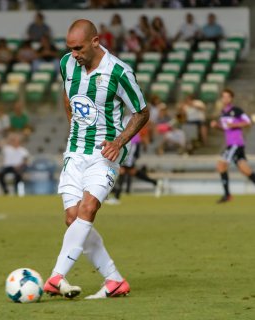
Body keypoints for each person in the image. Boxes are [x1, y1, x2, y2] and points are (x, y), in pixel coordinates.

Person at [43, 19, 149, 300]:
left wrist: (119, 142)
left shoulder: (118, 71)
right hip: (75, 152)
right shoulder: (66, 63)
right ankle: (114, 280)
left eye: (78, 48)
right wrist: (75, 129)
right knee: (72, 219)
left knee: (87, 210)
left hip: (105, 154)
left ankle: (56, 276)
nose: (73, 53)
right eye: (70, 48)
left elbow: (141, 112)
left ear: (95, 41)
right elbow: (68, 97)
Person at [210, 89, 255, 203]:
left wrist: (234, 124)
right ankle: (227, 195)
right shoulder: (223, 113)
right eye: (223, 97)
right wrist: (217, 126)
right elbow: (226, 128)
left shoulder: (236, 110)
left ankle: (227, 195)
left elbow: (248, 121)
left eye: (227, 97)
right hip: (232, 144)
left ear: (231, 98)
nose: (225, 99)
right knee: (246, 171)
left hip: (236, 144)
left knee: (221, 165)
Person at [106, 115, 162, 205]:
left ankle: (116, 198)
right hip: (127, 143)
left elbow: (147, 121)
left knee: (123, 170)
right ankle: (156, 182)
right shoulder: (124, 115)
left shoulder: (134, 114)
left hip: (132, 144)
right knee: (131, 171)